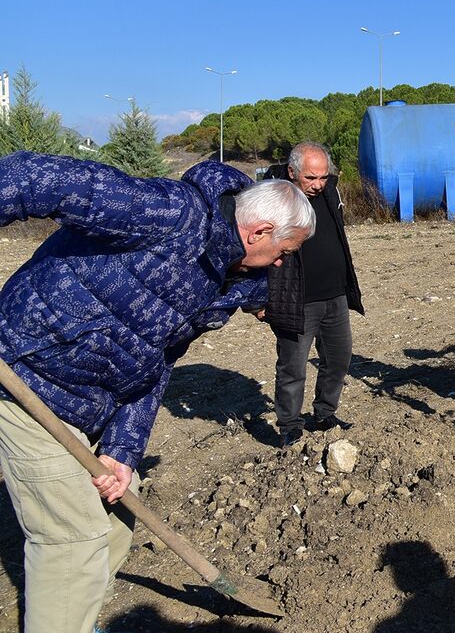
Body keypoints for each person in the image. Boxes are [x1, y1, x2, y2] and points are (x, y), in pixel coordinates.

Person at [0, 152, 312, 633]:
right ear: (260, 232)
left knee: (118, 510)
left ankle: (71, 617)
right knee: (74, 536)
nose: (282, 263)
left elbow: (157, 360)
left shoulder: (226, 279)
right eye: (285, 251)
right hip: (24, 375)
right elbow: (35, 178)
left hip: (87, 404)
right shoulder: (170, 213)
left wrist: (123, 452)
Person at [263, 143, 364, 448]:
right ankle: (290, 426)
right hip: (297, 301)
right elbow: (254, 248)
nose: (318, 184)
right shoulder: (273, 199)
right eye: (311, 178)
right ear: (292, 172)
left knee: (338, 358)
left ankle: (324, 413)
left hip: (335, 296)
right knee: (293, 367)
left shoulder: (331, 191)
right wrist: (256, 302)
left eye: (323, 177)